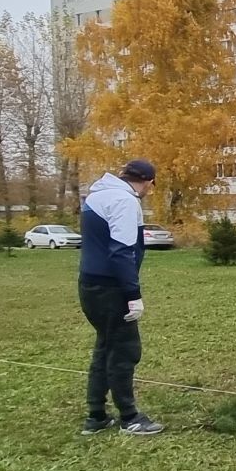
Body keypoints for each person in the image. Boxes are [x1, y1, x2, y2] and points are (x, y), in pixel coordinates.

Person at [78, 159, 161, 436]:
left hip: (90, 286)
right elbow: (122, 251)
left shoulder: (99, 195)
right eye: (152, 185)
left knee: (105, 347)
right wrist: (132, 294)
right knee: (125, 350)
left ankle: (96, 415)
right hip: (111, 289)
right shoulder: (125, 201)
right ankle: (130, 417)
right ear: (148, 181)